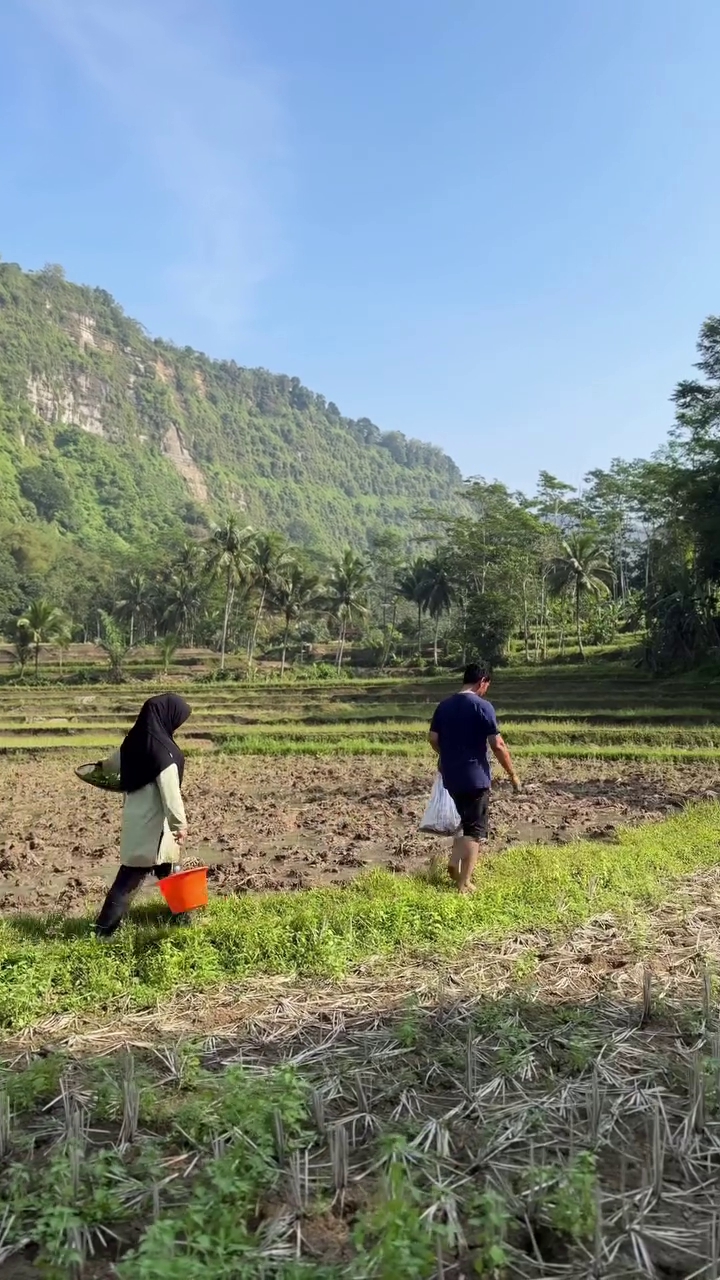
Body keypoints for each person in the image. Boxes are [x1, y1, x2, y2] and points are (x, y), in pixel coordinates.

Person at [94, 693, 191, 937]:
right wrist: (180, 825)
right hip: (155, 827)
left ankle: (183, 921)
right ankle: (103, 931)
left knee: (169, 870)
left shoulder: (132, 743)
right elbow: (171, 795)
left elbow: (111, 765)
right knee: (130, 877)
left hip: (136, 821)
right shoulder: (165, 752)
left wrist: (97, 768)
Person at [428, 663, 520, 894]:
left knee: (465, 823)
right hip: (475, 778)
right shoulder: (482, 706)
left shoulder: (444, 705)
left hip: (451, 777)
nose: (486, 690)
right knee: (475, 831)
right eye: (487, 685)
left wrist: (447, 755)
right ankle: (464, 883)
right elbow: (498, 745)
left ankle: (454, 863)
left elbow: (432, 738)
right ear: (482, 682)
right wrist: (512, 774)